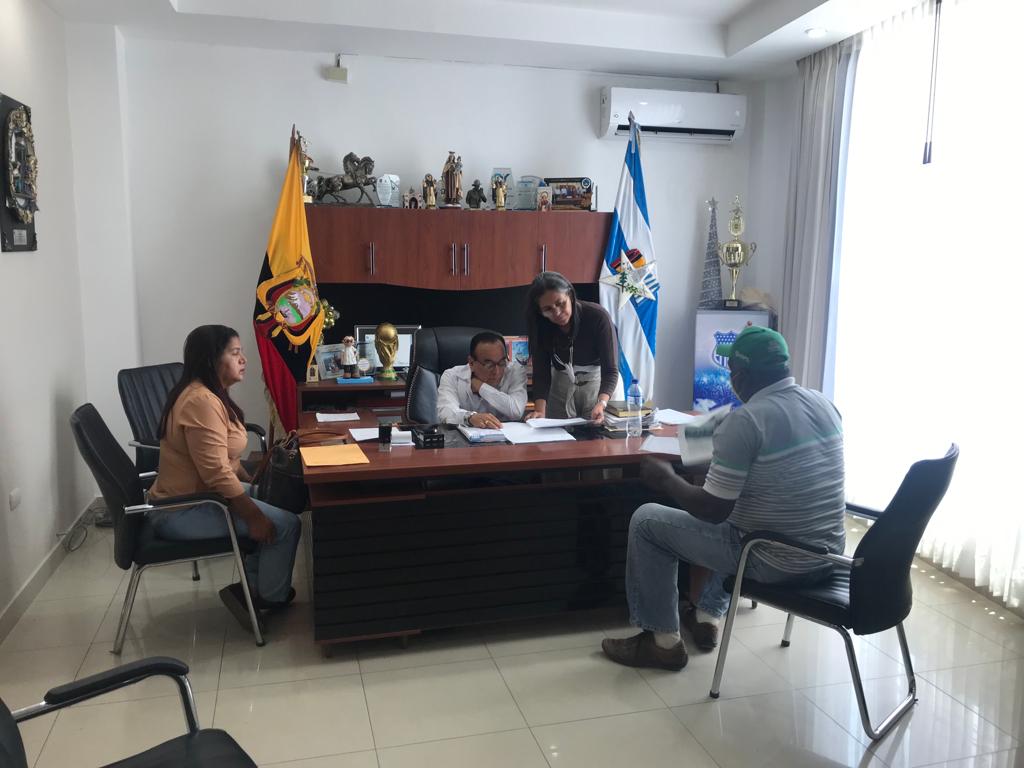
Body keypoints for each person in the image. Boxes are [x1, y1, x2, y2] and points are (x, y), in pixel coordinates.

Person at [601, 326, 845, 671]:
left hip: (776, 563)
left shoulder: (747, 421)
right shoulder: (825, 403)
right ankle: (706, 614)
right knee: (742, 513)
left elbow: (712, 510)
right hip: (827, 558)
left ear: (740, 376)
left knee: (647, 520)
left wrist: (667, 479)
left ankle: (662, 644)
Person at [148, 325, 301, 633]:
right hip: (184, 509)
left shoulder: (210, 394)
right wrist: (254, 515)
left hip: (204, 495)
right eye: (235, 353)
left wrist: (253, 484)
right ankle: (268, 597)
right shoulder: (201, 402)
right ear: (211, 360)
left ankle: (253, 586)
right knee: (286, 524)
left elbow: (225, 458)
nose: (243, 360)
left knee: (275, 501)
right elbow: (216, 472)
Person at [525, 271, 618, 423]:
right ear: (539, 311)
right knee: (558, 433)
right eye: (548, 309)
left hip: (599, 385)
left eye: (560, 303)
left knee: (598, 433)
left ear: (570, 295)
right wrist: (540, 411)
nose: (557, 313)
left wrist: (602, 403)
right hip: (561, 384)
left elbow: (611, 371)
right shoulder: (540, 325)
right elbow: (541, 373)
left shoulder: (597, 317)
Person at [436, 331, 527, 428]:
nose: (497, 371)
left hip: (507, 435)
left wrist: (481, 387)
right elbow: (446, 413)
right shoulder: (452, 376)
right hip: (464, 436)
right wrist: (470, 417)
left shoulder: (514, 371)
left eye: (501, 363)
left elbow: (516, 411)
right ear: (471, 363)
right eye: (489, 365)